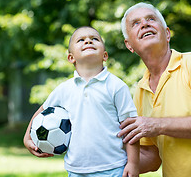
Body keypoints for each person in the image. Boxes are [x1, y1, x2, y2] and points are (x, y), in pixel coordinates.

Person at [118, 2, 191, 177]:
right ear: (129, 45)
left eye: (151, 19)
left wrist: (156, 125)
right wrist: (103, 159)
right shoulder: (140, 90)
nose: (145, 24)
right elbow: (152, 157)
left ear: (167, 33)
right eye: (136, 23)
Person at [24, 26, 140, 177]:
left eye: (94, 39)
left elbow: (131, 127)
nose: (88, 41)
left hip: (113, 168)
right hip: (76, 170)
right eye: (81, 40)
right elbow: (42, 111)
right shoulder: (64, 89)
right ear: (71, 58)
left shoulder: (116, 86)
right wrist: (27, 138)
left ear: (105, 55)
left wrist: (133, 163)